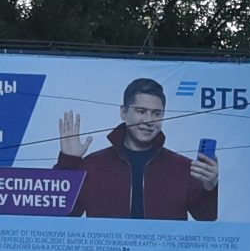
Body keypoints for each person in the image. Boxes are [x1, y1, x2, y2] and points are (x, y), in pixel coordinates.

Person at [55, 79, 220, 222]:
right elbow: (64, 216)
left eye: (156, 113)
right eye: (141, 111)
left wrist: (209, 187)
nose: (148, 120)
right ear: (123, 112)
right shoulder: (93, 165)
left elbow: (205, 217)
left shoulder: (183, 167)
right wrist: (69, 162)